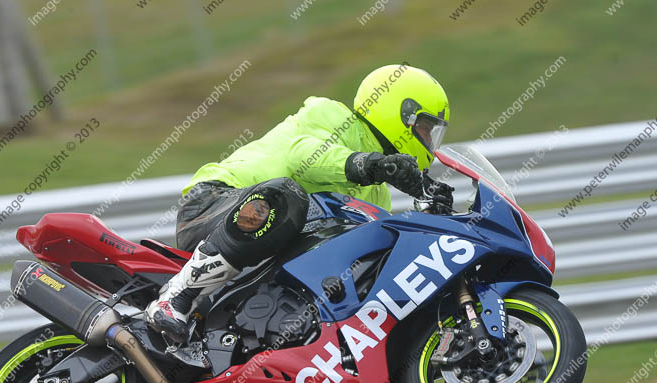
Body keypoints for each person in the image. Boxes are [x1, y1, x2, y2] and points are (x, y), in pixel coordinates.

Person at [145, 64, 453, 356]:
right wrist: (370, 165)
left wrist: (430, 219)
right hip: (216, 204)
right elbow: (303, 156)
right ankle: (176, 298)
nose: (427, 141)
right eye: (425, 129)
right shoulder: (332, 115)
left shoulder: (378, 193)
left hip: (264, 249)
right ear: (402, 115)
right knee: (286, 197)